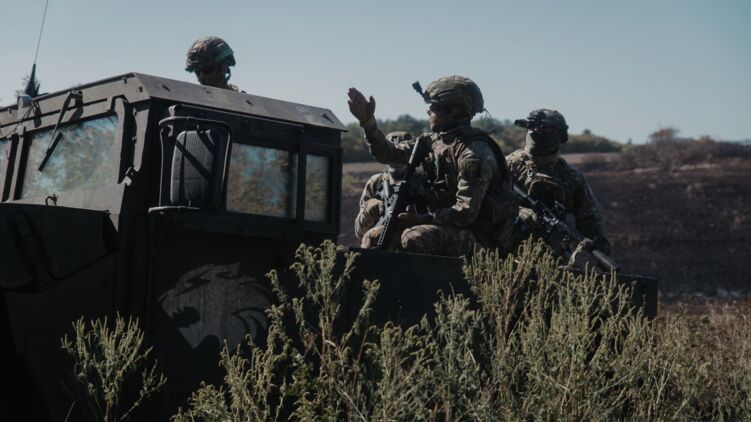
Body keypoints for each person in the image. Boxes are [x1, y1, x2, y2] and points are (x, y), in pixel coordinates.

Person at [347, 76, 517, 257]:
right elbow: (388, 153)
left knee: (415, 238)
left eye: (434, 106)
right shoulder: (432, 142)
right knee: (375, 238)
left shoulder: (474, 152)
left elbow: (465, 213)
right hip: (445, 225)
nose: (428, 110)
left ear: (454, 110)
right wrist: (368, 123)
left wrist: (418, 219)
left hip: (481, 238)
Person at [507, 109, 612, 257]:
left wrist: (601, 254)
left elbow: (591, 222)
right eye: (532, 127)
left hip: (552, 256)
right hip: (504, 253)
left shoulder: (571, 178)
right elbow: (485, 202)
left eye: (544, 129)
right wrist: (517, 211)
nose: (536, 132)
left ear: (559, 135)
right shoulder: (507, 166)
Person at [355, 132, 425, 249]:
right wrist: (368, 212)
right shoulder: (376, 182)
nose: (396, 160)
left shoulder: (423, 182)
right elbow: (359, 232)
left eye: (400, 155)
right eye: (392, 155)